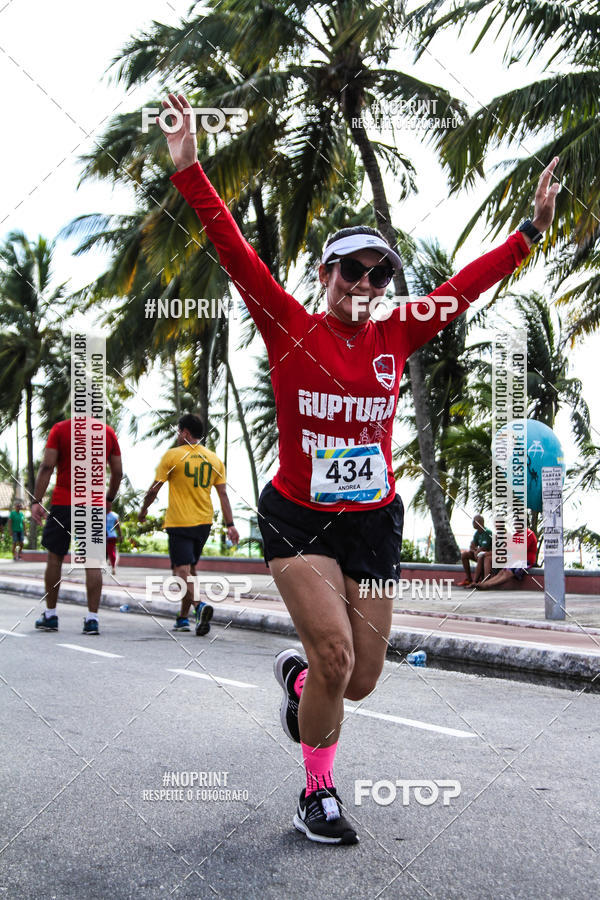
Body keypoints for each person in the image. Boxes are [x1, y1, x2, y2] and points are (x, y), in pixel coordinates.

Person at [161, 92, 560, 845]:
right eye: (352, 271)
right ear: (326, 271)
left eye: (380, 276)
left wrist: (530, 233)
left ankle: (303, 683)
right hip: (298, 517)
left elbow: (463, 288)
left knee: (362, 678)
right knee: (338, 653)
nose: (366, 286)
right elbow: (234, 252)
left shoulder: (397, 335)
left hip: (373, 521)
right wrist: (190, 171)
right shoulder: (286, 322)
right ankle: (317, 792)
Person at [138, 413, 239, 635]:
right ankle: (183, 618)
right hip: (204, 522)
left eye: (178, 432)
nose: (177, 436)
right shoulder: (213, 459)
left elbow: (154, 489)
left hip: (180, 522)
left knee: (180, 570)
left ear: (185, 433)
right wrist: (230, 524)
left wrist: (144, 510)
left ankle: (198, 606)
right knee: (190, 569)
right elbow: (223, 495)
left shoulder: (173, 456)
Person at [30, 418, 122, 635]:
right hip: (93, 504)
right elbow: (117, 472)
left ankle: (50, 616)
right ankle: (92, 619)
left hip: (64, 502)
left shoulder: (60, 428)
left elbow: (47, 466)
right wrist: (109, 498)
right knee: (93, 561)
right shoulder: (107, 432)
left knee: (55, 558)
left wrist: (37, 500)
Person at [457, 515, 493, 586]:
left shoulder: (488, 533)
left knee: (481, 556)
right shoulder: (477, 534)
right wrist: (474, 551)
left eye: (474, 521)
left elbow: (484, 548)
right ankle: (469, 579)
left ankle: (475, 581)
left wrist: (477, 550)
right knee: (465, 555)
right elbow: (472, 546)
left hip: (487, 555)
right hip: (478, 554)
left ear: (481, 522)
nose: (473, 523)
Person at [106, 502, 122, 576]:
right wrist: (120, 536)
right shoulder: (114, 515)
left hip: (110, 536)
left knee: (110, 551)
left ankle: (113, 567)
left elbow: (117, 526)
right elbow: (118, 527)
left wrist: (120, 535)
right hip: (110, 536)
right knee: (110, 551)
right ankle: (112, 567)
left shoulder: (113, 515)